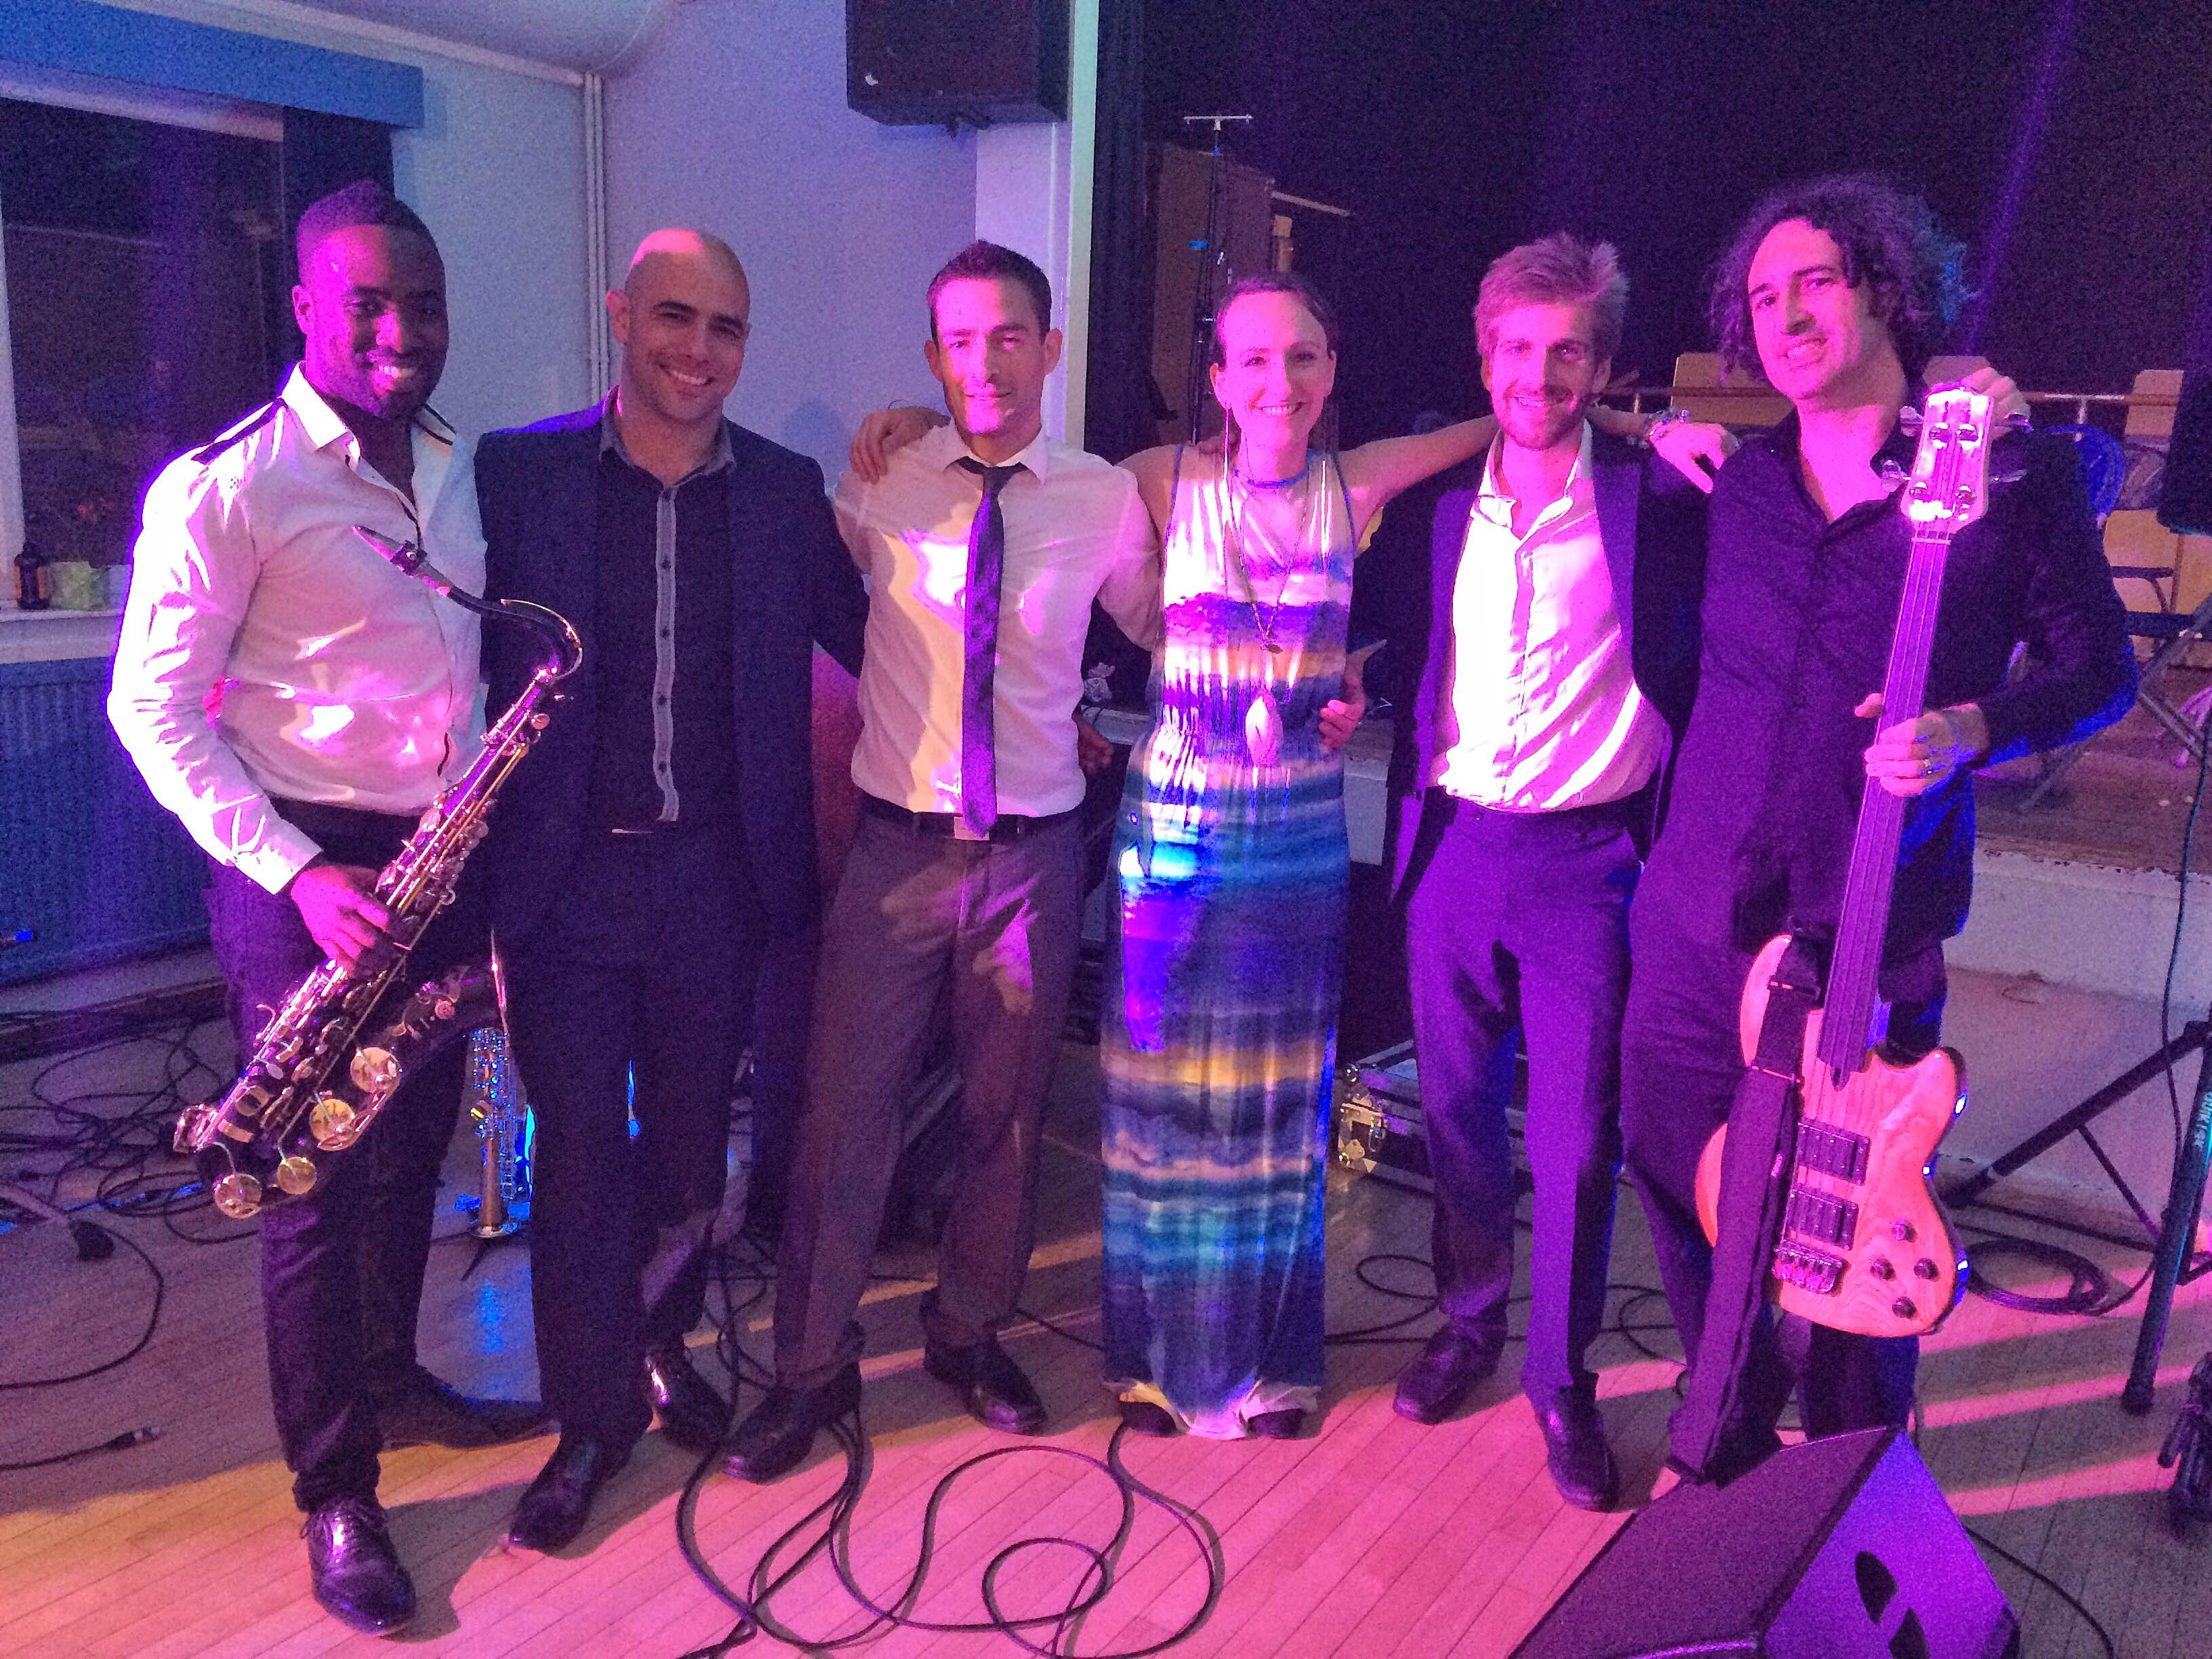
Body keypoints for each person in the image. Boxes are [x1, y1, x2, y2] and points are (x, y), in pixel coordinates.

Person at [1618, 175, 2136, 1482]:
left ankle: (1849, 1483)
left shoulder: (2004, 477)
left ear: (1888, 290)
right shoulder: (1738, 487)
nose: (1787, 315)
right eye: (1763, 297)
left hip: (1862, 925)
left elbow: (2099, 670)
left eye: (1818, 283)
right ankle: (1725, 1425)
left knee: (1853, 1222)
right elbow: (1668, 665)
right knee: (1680, 1172)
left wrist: (1971, 729)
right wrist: (1664, 484)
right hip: (1694, 912)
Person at [109, 181, 544, 1637]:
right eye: (366, 304)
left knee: (410, 1150)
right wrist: (296, 868)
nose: (400, 331)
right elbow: (152, 710)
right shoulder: (226, 486)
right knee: (310, 1187)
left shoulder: (462, 467)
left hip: (434, 854)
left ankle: (394, 1377)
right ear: (304, 309)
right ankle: (336, 1489)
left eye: (423, 303)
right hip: (304, 870)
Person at [722, 240, 1164, 1483]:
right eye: (960, 342)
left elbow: (1167, 625)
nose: (986, 363)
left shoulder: (1100, 499)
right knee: (839, 1120)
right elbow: (810, 608)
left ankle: (967, 1332)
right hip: (895, 860)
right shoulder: (882, 481)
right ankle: (810, 1367)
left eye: (1008, 336)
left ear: (1050, 348)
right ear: (932, 356)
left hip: (1034, 861)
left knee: (1005, 1123)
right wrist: (904, 428)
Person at [474, 229, 869, 1549]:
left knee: (693, 1155)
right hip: (566, 881)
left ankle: (658, 1344)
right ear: (621, 315)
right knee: (582, 1160)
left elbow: (879, 637)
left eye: (726, 328)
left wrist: (922, 453)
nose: (699, 350)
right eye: (675, 317)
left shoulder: (786, 492)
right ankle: (589, 1423)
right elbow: (445, 654)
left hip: (718, 881)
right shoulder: (517, 473)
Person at [1363, 235, 1710, 1508]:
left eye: (1568, 352)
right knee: (1454, 1118)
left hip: (1587, 866)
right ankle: (1468, 1323)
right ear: (1486, 356)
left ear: (1602, 368)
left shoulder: (1658, 497)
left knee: (1574, 1140)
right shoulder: (1438, 499)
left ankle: (1560, 1379)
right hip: (1453, 848)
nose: (1540, 373)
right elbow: (1391, 632)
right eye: (1518, 347)